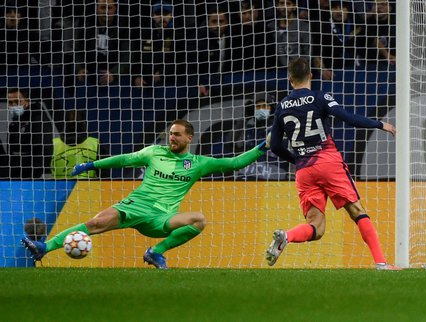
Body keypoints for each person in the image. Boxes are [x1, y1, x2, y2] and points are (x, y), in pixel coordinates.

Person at [22, 119, 268, 269]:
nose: (172, 137)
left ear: (189, 138)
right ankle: (45, 247)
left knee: (199, 219)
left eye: (177, 134)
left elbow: (235, 163)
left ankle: (156, 252)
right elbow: (123, 159)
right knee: (94, 223)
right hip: (134, 205)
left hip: (160, 219)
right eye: (171, 133)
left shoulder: (199, 163)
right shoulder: (153, 152)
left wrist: (263, 146)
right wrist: (91, 165)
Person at [265, 57, 400, 270]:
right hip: (328, 162)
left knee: (316, 228)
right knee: (356, 210)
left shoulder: (282, 106)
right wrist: (380, 124)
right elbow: (348, 118)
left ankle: (287, 236)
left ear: (290, 79)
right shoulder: (320, 98)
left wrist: (297, 159)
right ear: (311, 75)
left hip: (304, 170)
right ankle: (381, 263)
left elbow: (274, 146)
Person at [74, 0, 131, 86]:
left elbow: (127, 55)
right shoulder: (86, 27)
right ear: (96, 9)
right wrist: (80, 68)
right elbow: (78, 50)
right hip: (89, 76)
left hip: (114, 80)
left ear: (115, 9)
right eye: (103, 7)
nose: (106, 11)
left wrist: (114, 73)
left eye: (110, 8)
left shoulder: (123, 29)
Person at [3, 88, 53, 180]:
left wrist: (32, 176)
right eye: (10, 102)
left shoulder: (39, 119)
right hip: (15, 176)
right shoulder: (14, 124)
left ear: (26, 102)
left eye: (17, 101)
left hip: (32, 178)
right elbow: (11, 152)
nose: (13, 105)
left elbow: (44, 151)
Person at [50, 110, 107, 179]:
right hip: (89, 188)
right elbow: (105, 175)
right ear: (83, 123)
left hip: (58, 188)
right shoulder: (95, 144)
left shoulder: (53, 144)